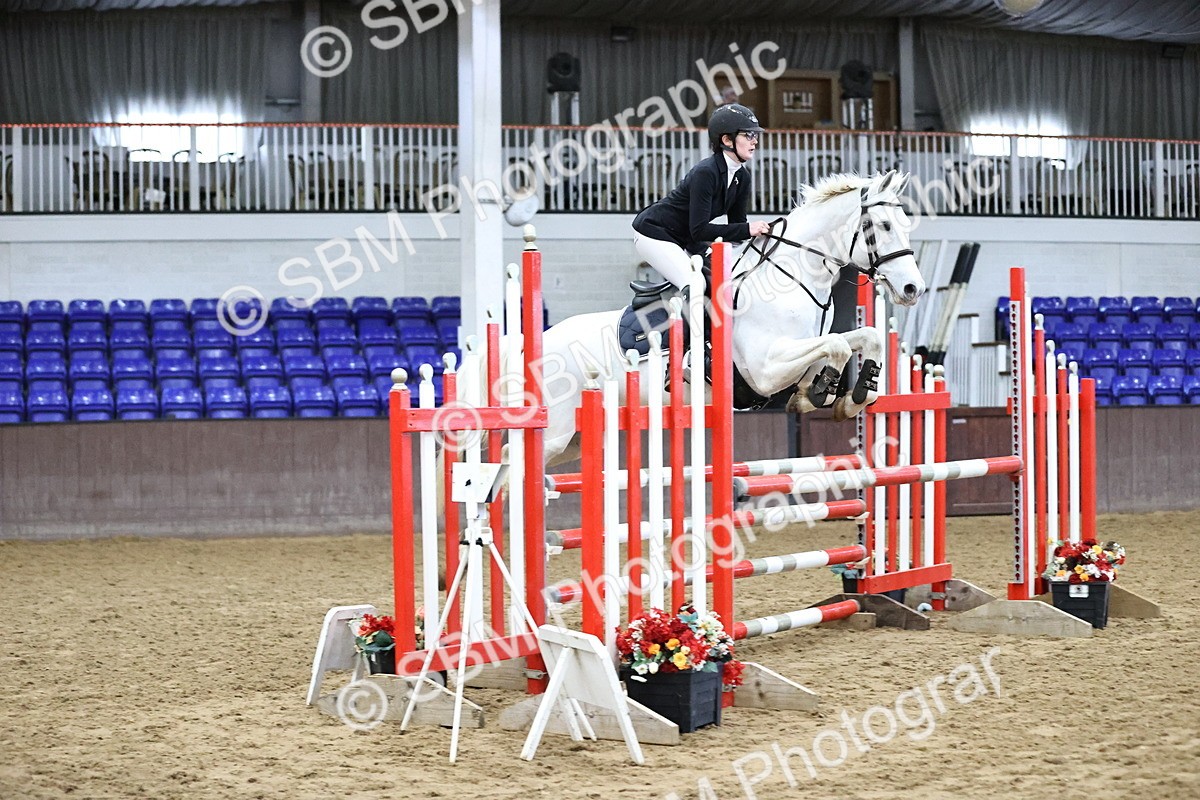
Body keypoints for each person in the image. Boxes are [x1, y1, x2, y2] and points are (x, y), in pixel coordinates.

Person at [632, 104, 771, 289]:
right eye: (749, 135)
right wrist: (748, 229)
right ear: (727, 140)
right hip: (654, 232)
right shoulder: (706, 172)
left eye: (756, 136)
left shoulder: (742, 177)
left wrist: (764, 239)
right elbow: (700, 229)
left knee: (733, 275)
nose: (755, 141)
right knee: (695, 283)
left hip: (687, 238)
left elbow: (737, 228)